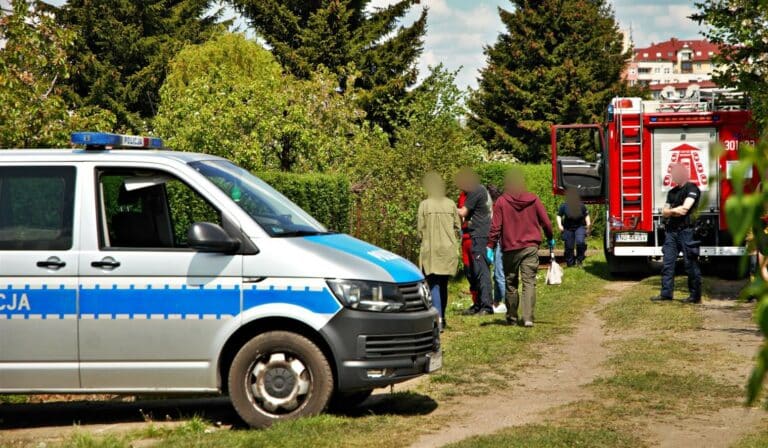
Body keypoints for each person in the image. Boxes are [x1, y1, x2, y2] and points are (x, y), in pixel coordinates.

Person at [488, 168, 554, 327]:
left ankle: (511, 317)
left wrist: (490, 246)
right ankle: (527, 318)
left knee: (511, 283)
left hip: (510, 248)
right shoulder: (534, 199)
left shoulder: (501, 202)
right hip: (530, 247)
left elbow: (495, 227)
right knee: (529, 282)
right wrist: (550, 238)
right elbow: (546, 222)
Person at [651, 163, 702, 304]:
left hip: (687, 232)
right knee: (667, 264)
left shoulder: (692, 188)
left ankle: (695, 296)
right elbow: (664, 212)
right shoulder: (671, 192)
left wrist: (670, 211)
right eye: (673, 173)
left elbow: (684, 210)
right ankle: (666, 294)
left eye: (678, 172)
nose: (675, 175)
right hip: (671, 233)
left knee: (690, 264)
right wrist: (672, 211)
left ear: (685, 173)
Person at [418, 172, 461, 330]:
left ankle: (438, 319)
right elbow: (457, 226)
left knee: (433, 284)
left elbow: (419, 231)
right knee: (443, 284)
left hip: (431, 250)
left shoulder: (424, 205)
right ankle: (443, 317)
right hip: (448, 249)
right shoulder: (450, 204)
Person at [456, 168, 494, 315]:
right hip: (472, 235)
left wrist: (444, 205)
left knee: (481, 271)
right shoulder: (471, 191)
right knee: (472, 272)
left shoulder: (476, 190)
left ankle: (486, 306)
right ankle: (477, 304)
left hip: (479, 236)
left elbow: (463, 212)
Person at [556, 188, 591, 267]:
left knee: (580, 242)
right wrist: (560, 225)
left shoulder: (581, 205)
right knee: (569, 246)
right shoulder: (564, 206)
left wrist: (588, 225)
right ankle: (570, 263)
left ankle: (579, 260)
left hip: (580, 227)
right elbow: (558, 216)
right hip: (568, 228)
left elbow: (586, 215)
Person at [487, 185, 507, 314]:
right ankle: (496, 302)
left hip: (500, 242)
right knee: (497, 274)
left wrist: (490, 245)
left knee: (499, 274)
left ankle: (508, 303)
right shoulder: (503, 204)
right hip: (501, 242)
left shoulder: (496, 207)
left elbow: (495, 228)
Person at [457, 190, 478, 307]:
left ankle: (481, 301)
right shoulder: (461, 196)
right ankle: (475, 302)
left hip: (475, 237)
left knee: (477, 271)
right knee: (468, 271)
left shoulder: (478, 194)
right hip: (464, 237)